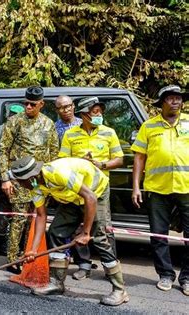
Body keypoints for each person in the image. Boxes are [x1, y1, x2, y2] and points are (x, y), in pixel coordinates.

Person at [9, 156, 129, 306]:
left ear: (30, 177)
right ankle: (56, 283)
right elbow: (41, 216)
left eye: (20, 181)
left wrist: (86, 233)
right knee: (56, 232)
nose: (19, 185)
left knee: (99, 239)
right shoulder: (35, 186)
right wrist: (33, 250)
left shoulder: (58, 173)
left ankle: (119, 290)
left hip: (95, 192)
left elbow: (90, 197)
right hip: (72, 198)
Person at [131, 85, 188, 296]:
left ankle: (187, 277)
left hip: (187, 187)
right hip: (157, 188)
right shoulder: (149, 126)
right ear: (162, 102)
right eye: (170, 98)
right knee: (158, 235)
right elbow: (139, 157)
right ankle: (165, 274)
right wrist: (136, 186)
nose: (175, 101)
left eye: (178, 98)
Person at [59, 96, 123, 280]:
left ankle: (111, 269)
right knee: (79, 228)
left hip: (100, 189)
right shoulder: (70, 135)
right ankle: (83, 265)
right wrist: (79, 163)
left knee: (103, 228)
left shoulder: (109, 132)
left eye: (100, 111)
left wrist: (101, 164)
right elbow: (63, 160)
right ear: (84, 115)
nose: (99, 115)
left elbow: (119, 159)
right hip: (78, 189)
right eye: (95, 112)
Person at [0, 86, 59, 274]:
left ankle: (28, 255)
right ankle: (12, 259)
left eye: (32, 104)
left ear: (41, 104)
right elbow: (3, 150)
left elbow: (54, 152)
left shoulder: (49, 124)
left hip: (40, 181)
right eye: (26, 103)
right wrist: (5, 178)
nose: (28, 107)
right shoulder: (15, 122)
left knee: (35, 220)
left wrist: (50, 182)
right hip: (18, 180)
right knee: (18, 220)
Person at [0, 103, 25, 256]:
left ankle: (2, 245)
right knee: (15, 212)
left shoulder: (0, 128)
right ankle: (11, 245)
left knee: (5, 211)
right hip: (15, 177)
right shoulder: (17, 128)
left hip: (3, 176)